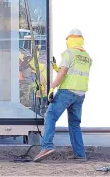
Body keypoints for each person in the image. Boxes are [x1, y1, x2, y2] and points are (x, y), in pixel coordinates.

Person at [34, 29, 92, 162]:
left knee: (50, 115)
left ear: (70, 40)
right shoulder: (87, 57)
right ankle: (80, 154)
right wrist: (56, 67)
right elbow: (73, 72)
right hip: (80, 94)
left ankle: (47, 146)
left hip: (67, 92)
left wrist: (52, 88)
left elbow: (64, 73)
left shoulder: (69, 53)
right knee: (74, 124)